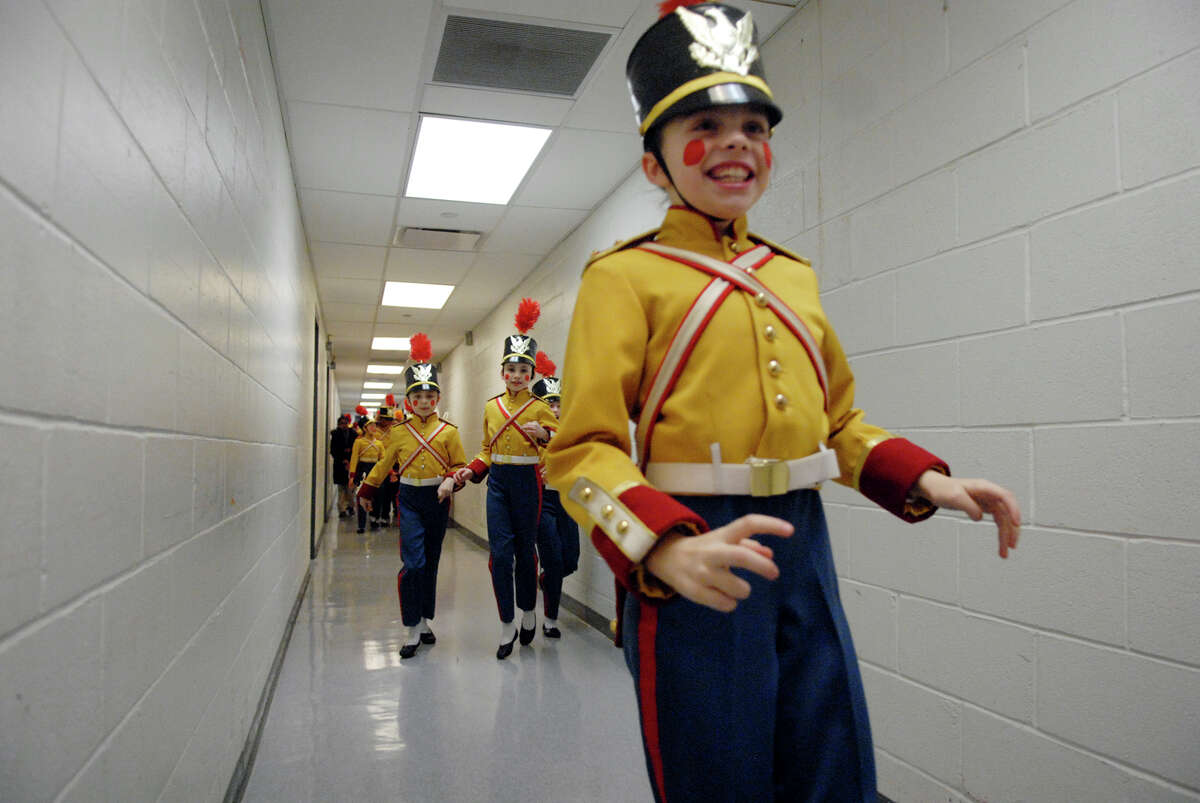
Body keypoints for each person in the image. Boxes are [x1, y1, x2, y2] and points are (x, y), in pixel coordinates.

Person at [543, 3, 1022, 801]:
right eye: (704, 122)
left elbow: (837, 422)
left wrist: (927, 479)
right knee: (718, 776)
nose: (736, 141)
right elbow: (582, 452)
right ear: (654, 165)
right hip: (699, 548)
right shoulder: (623, 277)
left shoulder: (791, 273)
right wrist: (657, 547)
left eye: (755, 126)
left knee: (834, 763)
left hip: (807, 546)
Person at [454, 300, 560, 659]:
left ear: (531, 374)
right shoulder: (490, 407)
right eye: (511, 369)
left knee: (524, 551)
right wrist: (472, 469)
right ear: (503, 372)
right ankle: (505, 623)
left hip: (528, 482)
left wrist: (544, 435)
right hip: (498, 482)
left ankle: (529, 608)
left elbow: (563, 441)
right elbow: (486, 448)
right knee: (500, 555)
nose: (517, 375)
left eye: (523, 369)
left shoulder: (542, 407)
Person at [357, 336, 467, 659]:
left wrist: (451, 481)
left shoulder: (449, 432)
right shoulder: (399, 433)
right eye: (418, 395)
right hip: (409, 499)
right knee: (413, 563)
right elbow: (383, 464)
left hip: (437, 499)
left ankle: (424, 621)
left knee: (430, 564)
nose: (424, 400)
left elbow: (460, 467)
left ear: (437, 398)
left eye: (430, 395)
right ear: (409, 399)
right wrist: (367, 490)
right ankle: (410, 627)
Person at [531, 351, 579, 639]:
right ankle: (550, 620)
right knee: (553, 559)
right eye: (549, 403)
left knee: (570, 560)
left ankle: (547, 581)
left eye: (558, 402)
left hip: (566, 500)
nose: (556, 408)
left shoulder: (571, 431)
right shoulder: (530, 430)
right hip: (543, 501)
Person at [349, 419, 385, 533]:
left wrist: (387, 473)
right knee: (362, 496)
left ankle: (374, 520)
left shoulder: (379, 443)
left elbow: (383, 459)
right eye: (371, 425)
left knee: (377, 496)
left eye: (375, 425)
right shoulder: (359, 442)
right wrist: (352, 476)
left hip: (375, 469)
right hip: (362, 469)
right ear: (365, 428)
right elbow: (354, 459)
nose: (373, 428)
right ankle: (361, 524)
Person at [329, 413, 357, 517]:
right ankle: (342, 509)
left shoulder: (353, 434)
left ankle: (350, 506)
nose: (343, 425)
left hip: (351, 465)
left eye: (345, 423)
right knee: (341, 488)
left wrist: (350, 461)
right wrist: (343, 460)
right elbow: (333, 451)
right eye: (341, 423)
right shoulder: (335, 435)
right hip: (340, 465)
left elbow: (356, 450)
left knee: (350, 488)